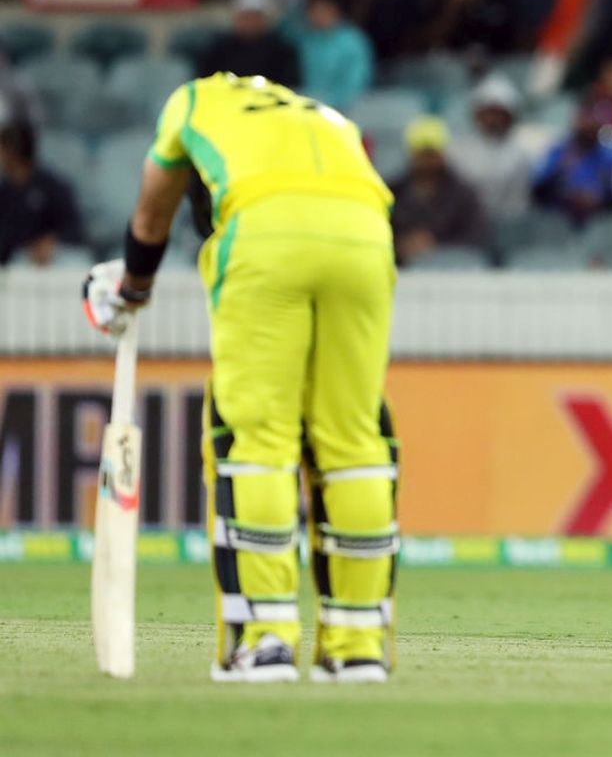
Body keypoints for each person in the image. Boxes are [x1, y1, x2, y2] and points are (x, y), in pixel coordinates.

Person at [81, 74, 399, 683]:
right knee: (353, 442)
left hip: (265, 234)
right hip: (366, 238)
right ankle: (357, 649)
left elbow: (153, 209)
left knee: (257, 438)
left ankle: (266, 639)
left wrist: (131, 290)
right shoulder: (324, 115)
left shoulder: (193, 98)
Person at [389, 116, 487, 264]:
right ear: (411, 154)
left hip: (453, 272)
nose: (427, 162)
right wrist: (401, 245)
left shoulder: (464, 194)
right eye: (422, 154)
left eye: (432, 154)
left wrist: (436, 245)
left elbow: (476, 237)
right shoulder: (392, 192)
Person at [449, 74, 532, 226]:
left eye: (498, 113)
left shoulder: (519, 156)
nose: (493, 119)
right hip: (461, 227)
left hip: (504, 228)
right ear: (477, 114)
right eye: (488, 112)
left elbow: (518, 206)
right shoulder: (457, 149)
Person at [0, 119, 84, 266]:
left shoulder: (53, 187)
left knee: (77, 262)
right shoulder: (4, 192)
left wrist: (52, 241)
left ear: (13, 151)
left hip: (56, 258)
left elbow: (75, 228)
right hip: (17, 262)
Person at [532, 103, 612, 228]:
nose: (588, 125)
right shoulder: (558, 152)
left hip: (600, 222)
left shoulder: (610, 155)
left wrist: (598, 199)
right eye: (584, 118)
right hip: (560, 221)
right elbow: (538, 188)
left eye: (593, 119)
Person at [284, 0, 375, 111]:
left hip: (344, 108)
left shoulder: (353, 40)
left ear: (335, 11)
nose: (318, 15)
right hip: (307, 105)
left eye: (324, 10)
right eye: (314, 10)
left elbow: (357, 80)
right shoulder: (304, 38)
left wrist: (332, 103)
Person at [196, 0, 300, 88]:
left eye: (255, 17)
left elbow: (288, 86)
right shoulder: (218, 48)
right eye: (245, 17)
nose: (250, 23)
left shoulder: (282, 49)